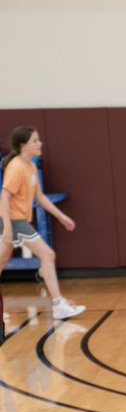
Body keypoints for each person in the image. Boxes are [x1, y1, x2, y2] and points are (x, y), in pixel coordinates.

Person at [0, 126, 86, 321]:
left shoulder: (30, 167)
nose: (40, 144)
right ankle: (58, 304)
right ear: (23, 145)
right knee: (47, 254)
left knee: (2, 262)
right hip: (12, 220)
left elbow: (39, 196)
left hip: (16, 220)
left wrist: (61, 216)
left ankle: (58, 304)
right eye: (35, 141)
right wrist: (6, 228)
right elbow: (4, 197)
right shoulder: (16, 167)